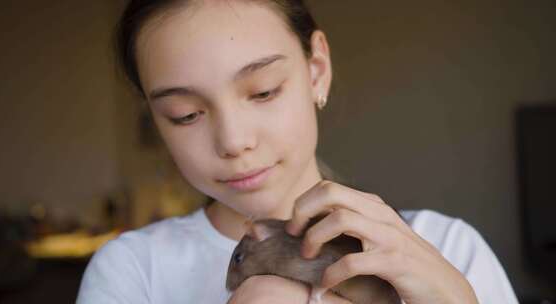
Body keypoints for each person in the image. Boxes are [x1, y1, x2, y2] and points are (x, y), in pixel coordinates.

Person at [76, 0, 519, 303]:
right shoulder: (132, 270)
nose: (233, 142)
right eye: (186, 114)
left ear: (317, 71)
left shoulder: (446, 248)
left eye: (264, 92)